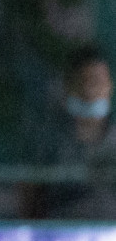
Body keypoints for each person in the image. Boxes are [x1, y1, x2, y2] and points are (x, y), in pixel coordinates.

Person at [29, 45, 116, 220]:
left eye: (98, 81)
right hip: (62, 236)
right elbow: (30, 194)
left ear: (110, 86)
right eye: (84, 81)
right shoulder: (49, 138)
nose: (90, 90)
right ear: (69, 86)